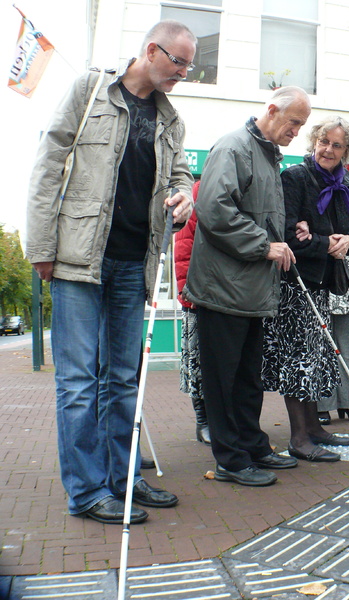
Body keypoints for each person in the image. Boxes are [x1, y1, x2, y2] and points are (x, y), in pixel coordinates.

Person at [26, 20, 196, 524]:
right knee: (78, 382)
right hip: (78, 259)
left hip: (132, 265)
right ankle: (86, 491)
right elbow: (48, 163)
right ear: (151, 50)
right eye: (178, 62)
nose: (184, 74)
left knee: (123, 381)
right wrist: (40, 246)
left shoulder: (172, 119)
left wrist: (185, 193)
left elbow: (180, 172)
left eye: (190, 65)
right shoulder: (90, 89)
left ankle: (124, 480)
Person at [183, 87, 311, 485]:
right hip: (224, 288)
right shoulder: (234, 147)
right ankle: (230, 460)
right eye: (294, 123)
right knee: (223, 377)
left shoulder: (268, 155)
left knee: (247, 375)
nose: (297, 133)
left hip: (251, 288)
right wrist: (265, 246)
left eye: (301, 126)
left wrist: (282, 240)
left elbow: (260, 217)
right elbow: (213, 210)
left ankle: (251, 443)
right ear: (271, 111)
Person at [262, 116, 349, 462]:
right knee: (297, 360)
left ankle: (315, 428)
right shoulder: (295, 177)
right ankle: (299, 437)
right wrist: (324, 242)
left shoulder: (343, 184)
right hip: (294, 283)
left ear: (346, 151)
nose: (327, 150)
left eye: (336, 145)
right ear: (313, 143)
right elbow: (288, 235)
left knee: (316, 358)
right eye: (323, 142)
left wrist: (346, 239)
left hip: (321, 283)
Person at [314, 130, 349, 425]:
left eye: (346, 147)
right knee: (322, 345)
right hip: (319, 274)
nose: (337, 151)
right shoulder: (309, 177)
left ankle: (346, 401)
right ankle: (321, 404)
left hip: (348, 278)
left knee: (346, 346)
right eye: (330, 144)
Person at [175, 180, 210, 445]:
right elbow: (184, 247)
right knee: (196, 359)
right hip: (196, 295)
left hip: (222, 293)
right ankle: (203, 421)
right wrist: (187, 289)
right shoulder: (196, 194)